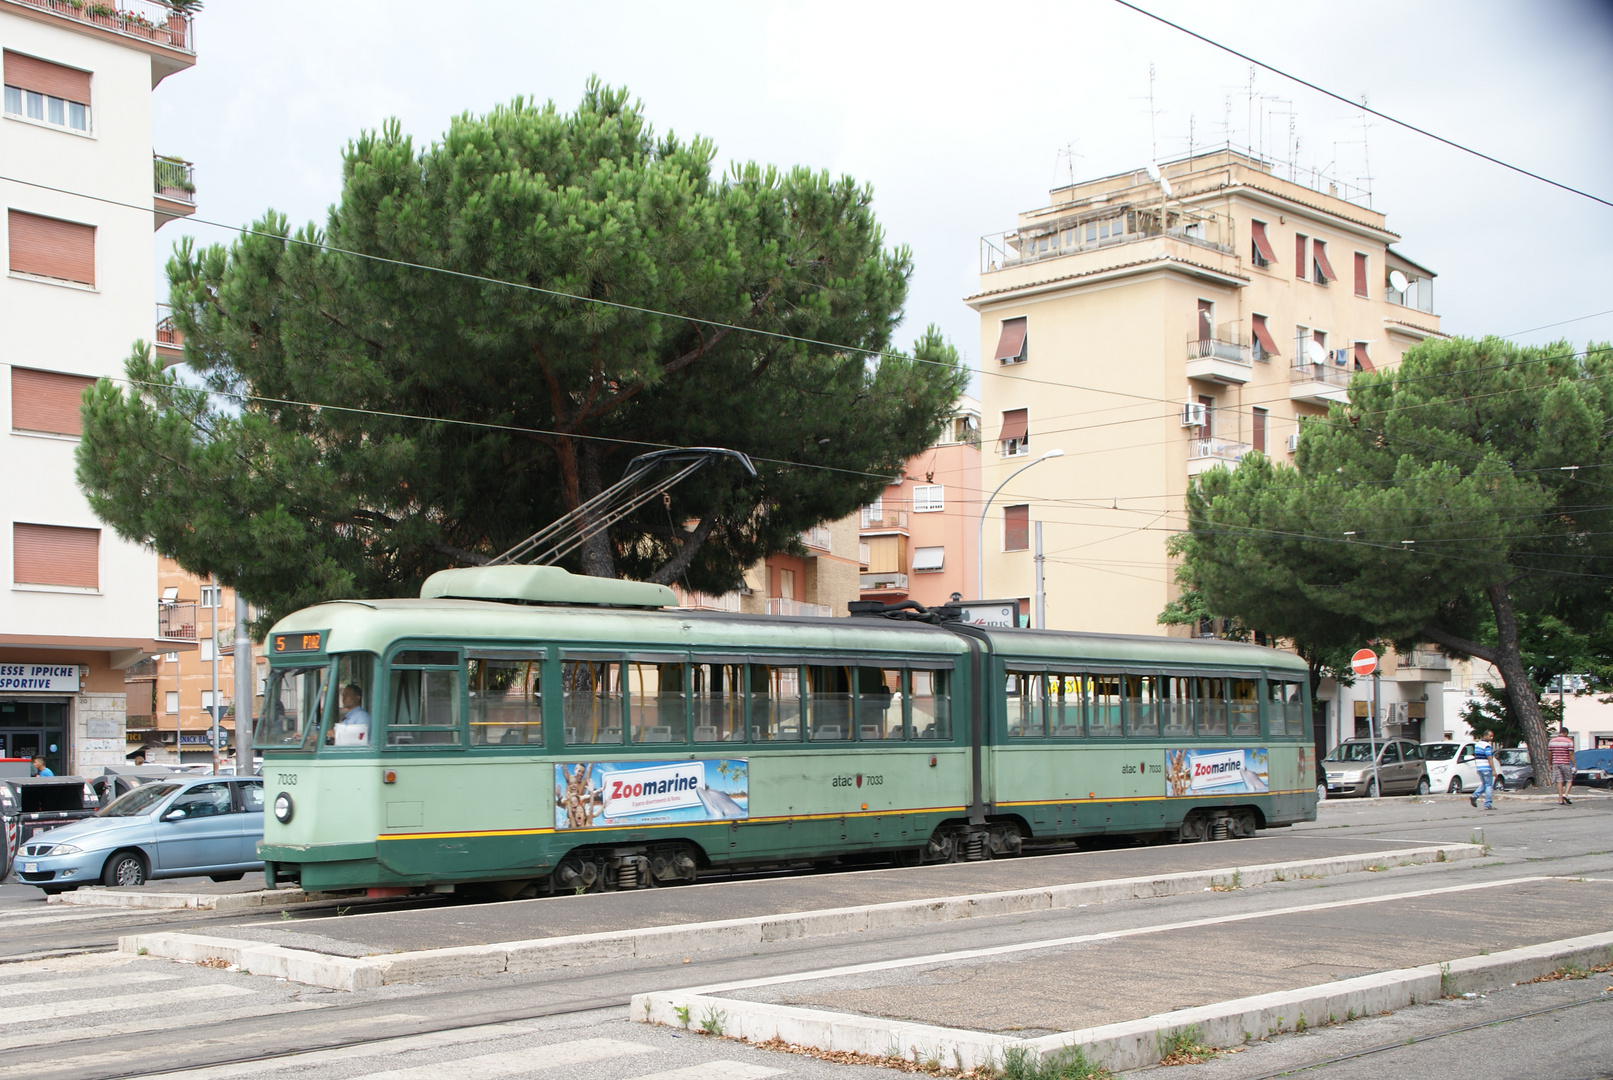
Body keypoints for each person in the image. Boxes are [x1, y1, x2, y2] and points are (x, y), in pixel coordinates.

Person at [1549, 725, 1576, 805]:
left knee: (1559, 781)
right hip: (1565, 763)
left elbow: (1550, 753)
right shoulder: (1569, 742)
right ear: (1566, 733)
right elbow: (1571, 754)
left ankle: (1560, 799)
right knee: (1569, 780)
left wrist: (1550, 763)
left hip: (1555, 763)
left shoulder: (1552, 741)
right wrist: (1574, 765)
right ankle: (1566, 794)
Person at [1469, 729, 1495, 810]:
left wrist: (1477, 768)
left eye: (1492, 736)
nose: (1492, 738)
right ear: (1485, 736)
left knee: (1484, 784)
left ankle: (1474, 796)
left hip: (1480, 768)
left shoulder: (1477, 745)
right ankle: (1487, 804)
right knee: (1489, 786)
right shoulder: (1487, 746)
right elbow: (1489, 758)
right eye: (1490, 736)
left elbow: (1477, 757)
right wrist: (1493, 769)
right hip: (1486, 768)